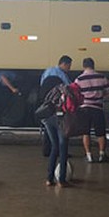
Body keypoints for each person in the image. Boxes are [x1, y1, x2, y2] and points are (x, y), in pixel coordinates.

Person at [39, 55, 72, 188]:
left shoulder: (47, 73)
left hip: (47, 117)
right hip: (59, 118)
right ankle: (62, 180)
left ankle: (49, 179)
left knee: (54, 147)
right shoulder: (62, 83)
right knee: (63, 148)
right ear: (64, 64)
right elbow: (70, 93)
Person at [75, 58, 109, 163]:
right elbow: (107, 92)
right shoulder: (102, 77)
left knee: (86, 132)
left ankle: (89, 155)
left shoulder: (79, 79)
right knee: (100, 133)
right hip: (98, 108)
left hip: (85, 108)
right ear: (93, 65)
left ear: (84, 66)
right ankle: (102, 155)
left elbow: (77, 94)